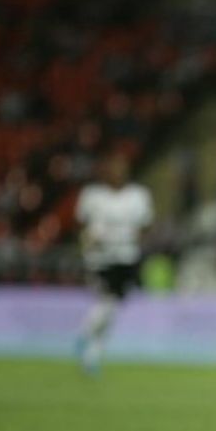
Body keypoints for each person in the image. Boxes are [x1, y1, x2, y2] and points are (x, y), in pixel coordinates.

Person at [74, 152, 154, 374]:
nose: (117, 174)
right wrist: (88, 241)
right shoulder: (92, 195)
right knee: (106, 301)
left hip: (127, 256)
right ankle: (85, 336)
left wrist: (136, 238)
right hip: (101, 258)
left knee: (113, 307)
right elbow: (82, 225)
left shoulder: (138, 195)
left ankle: (92, 355)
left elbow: (145, 225)